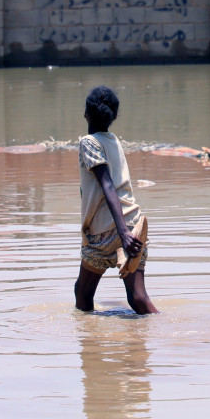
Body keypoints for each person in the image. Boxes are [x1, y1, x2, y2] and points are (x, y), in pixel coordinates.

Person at [74, 85, 159, 315]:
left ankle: (90, 346)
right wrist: (127, 233)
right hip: (133, 225)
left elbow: (107, 186)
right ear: (114, 116)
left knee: (82, 293)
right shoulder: (114, 141)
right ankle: (166, 330)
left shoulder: (88, 142)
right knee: (138, 298)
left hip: (105, 231)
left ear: (86, 112)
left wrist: (121, 234)